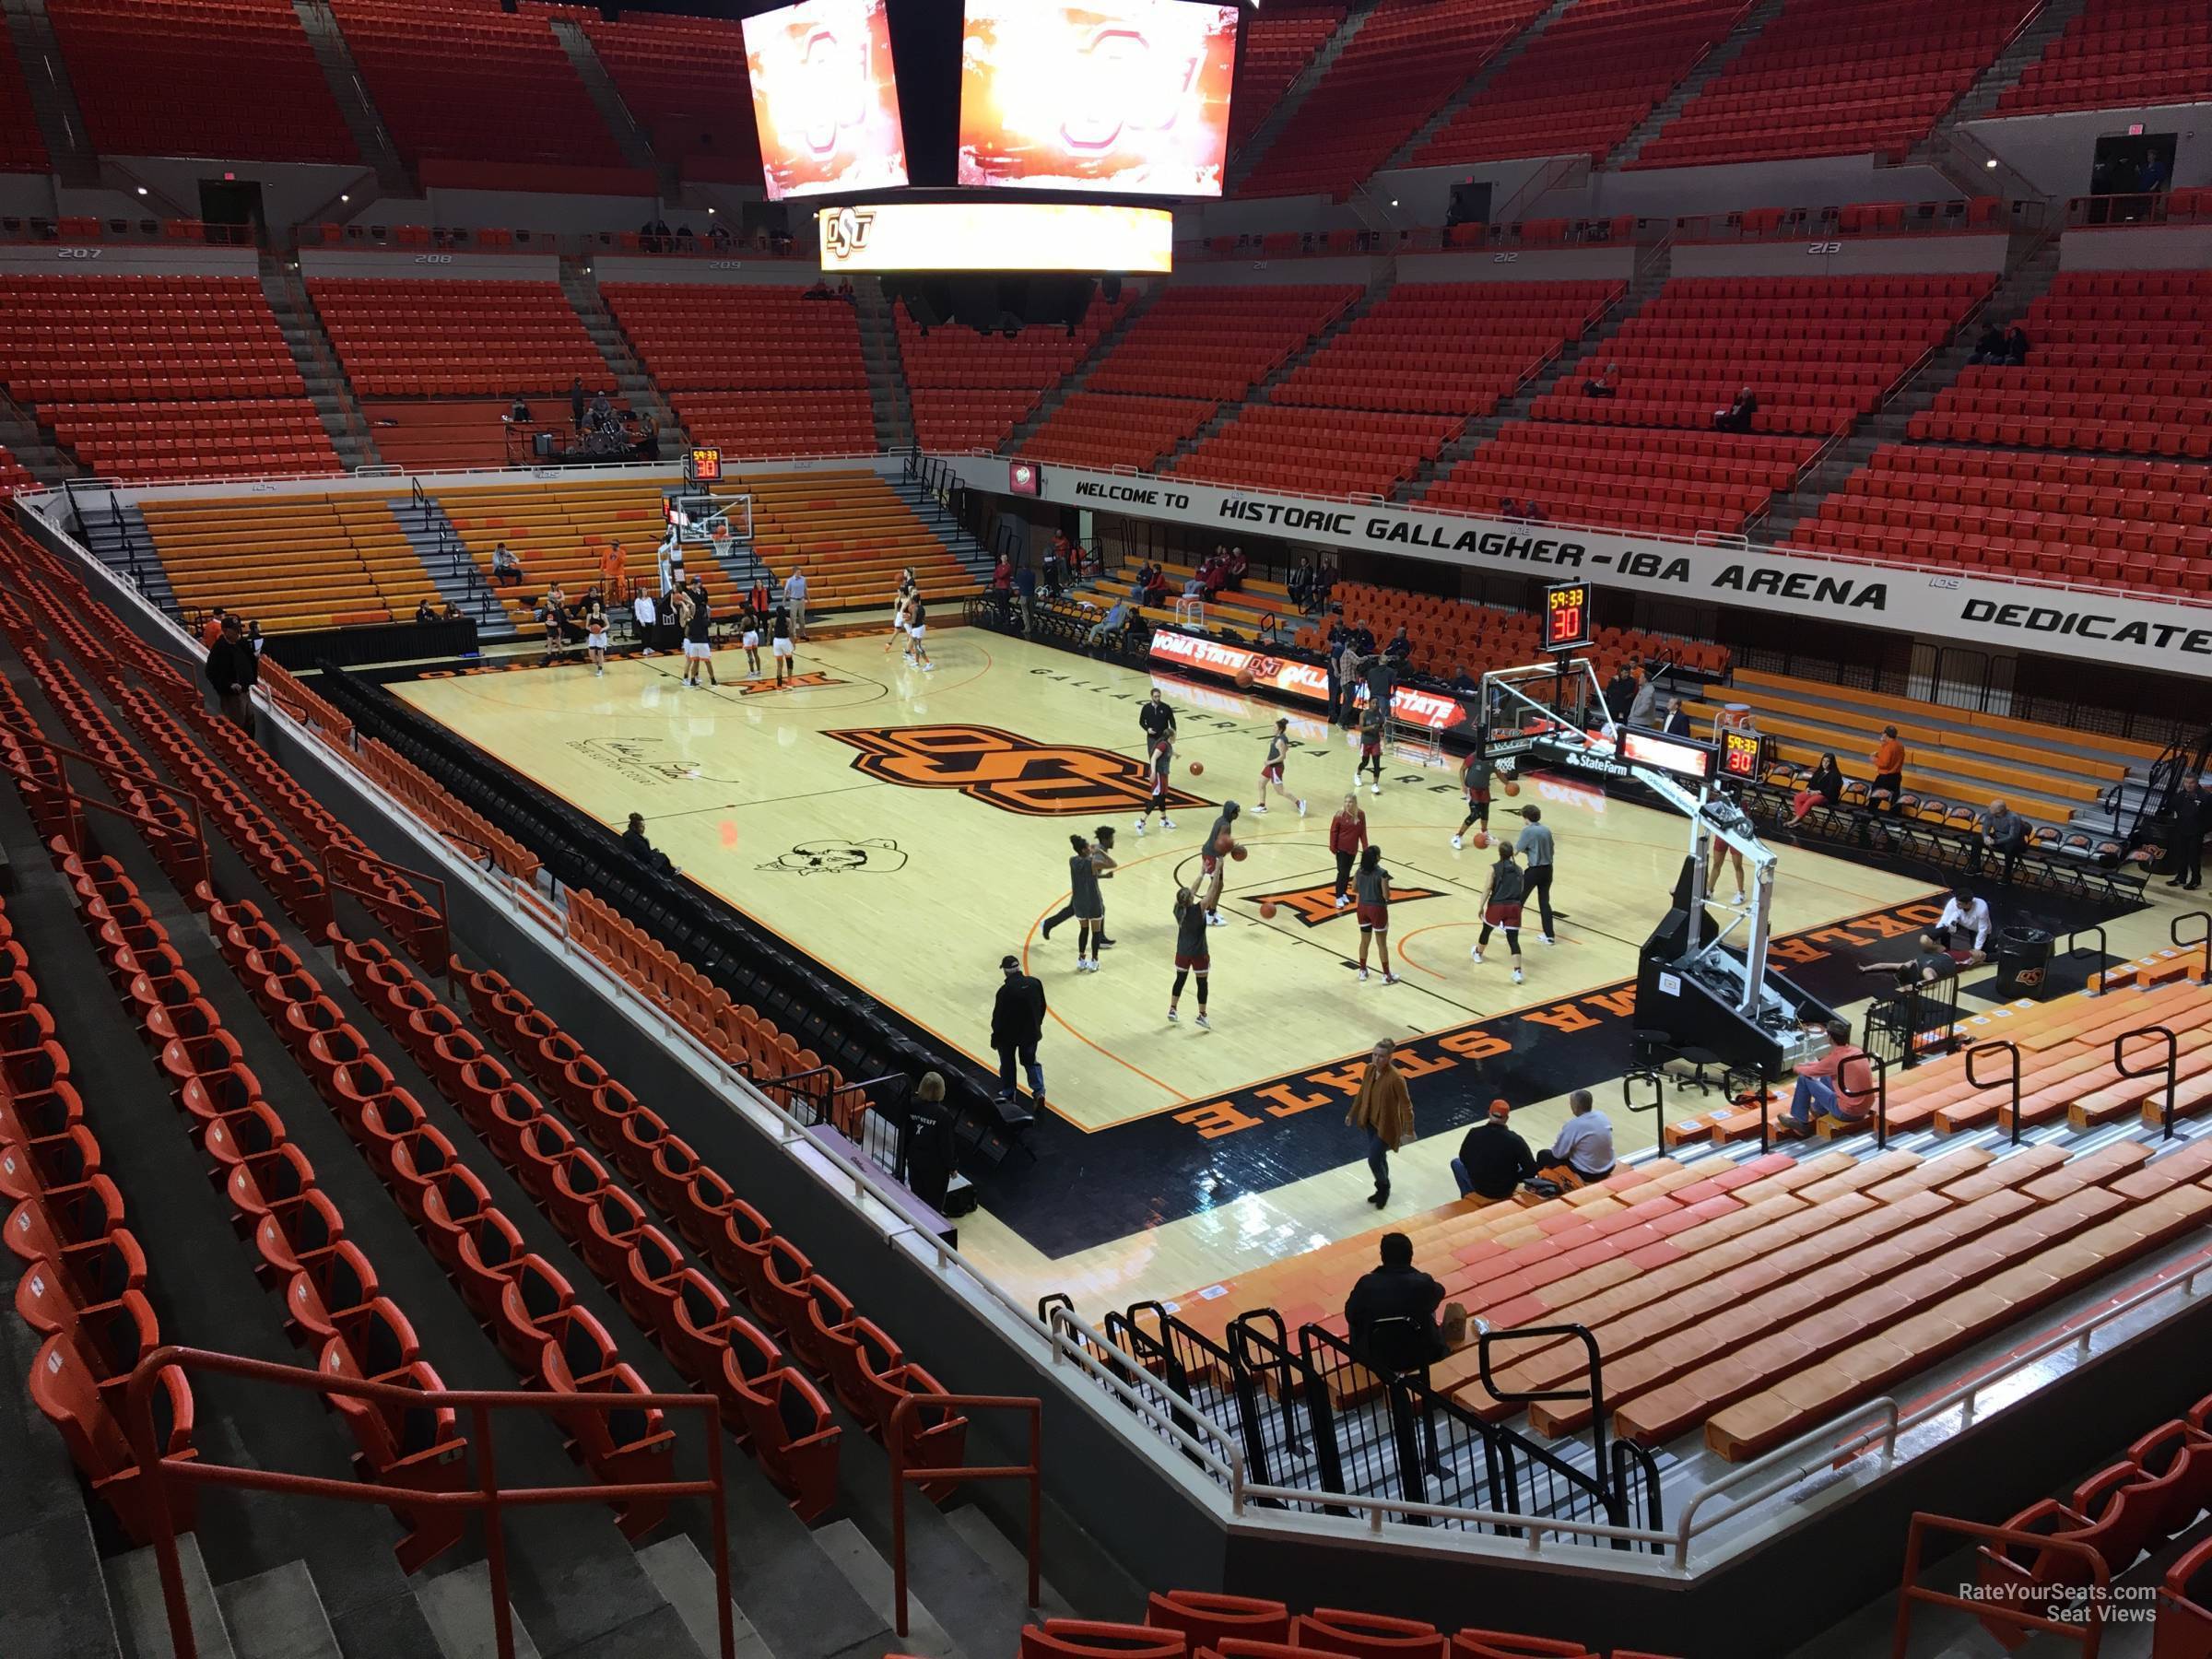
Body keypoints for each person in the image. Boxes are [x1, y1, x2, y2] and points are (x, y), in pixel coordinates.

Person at [1344, 1233, 1447, 1363]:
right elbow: (1441, 1292)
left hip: (1376, 1358)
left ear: (1382, 1256)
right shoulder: (1423, 1282)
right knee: (1428, 1303)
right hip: (1420, 1354)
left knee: (1356, 1316)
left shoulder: (1366, 1284)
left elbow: (1350, 1315)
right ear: (1411, 1255)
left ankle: (1356, 1360)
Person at [1345, 1040, 1413, 1206]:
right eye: (1374, 1054)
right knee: (1380, 1157)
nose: (1376, 1059)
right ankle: (1382, 1189)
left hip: (1386, 1126)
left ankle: (1383, 1187)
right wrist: (1352, 1113)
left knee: (1373, 1160)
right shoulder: (1369, 1069)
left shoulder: (1396, 1078)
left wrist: (1409, 1131)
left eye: (1381, 1056)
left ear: (1389, 1058)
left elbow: (1407, 1106)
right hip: (1370, 1121)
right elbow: (1362, 1093)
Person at [1782, 1018, 1875, 1133]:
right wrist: (1807, 1065)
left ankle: (1800, 1121)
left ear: (1829, 1037)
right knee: (1826, 1075)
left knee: (1804, 1079)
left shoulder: (1835, 1059)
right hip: (1864, 1108)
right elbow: (1823, 1066)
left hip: (1847, 1113)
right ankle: (1818, 1110)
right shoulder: (1857, 1051)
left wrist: (1797, 1067)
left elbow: (1811, 1072)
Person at [1043, 826, 1117, 947]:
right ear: (1105, 840)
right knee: (1098, 910)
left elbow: (1091, 874)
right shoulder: (1099, 854)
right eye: (1111, 838)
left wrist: (1104, 876)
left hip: (1081, 887)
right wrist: (1104, 875)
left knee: (1072, 910)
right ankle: (1100, 938)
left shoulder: (1095, 850)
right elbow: (1092, 872)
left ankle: (1048, 923)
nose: (1113, 841)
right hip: (1085, 889)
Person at [991, 954, 1046, 1109]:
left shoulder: (1004, 991)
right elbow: (1042, 1006)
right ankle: (1039, 1092)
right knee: (1030, 1061)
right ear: (1019, 968)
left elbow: (998, 1017)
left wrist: (995, 1036)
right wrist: (1037, 1025)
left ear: (1005, 971)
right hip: (1031, 1033)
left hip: (1008, 1036)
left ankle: (1009, 1094)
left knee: (1007, 1063)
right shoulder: (1035, 983)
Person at [1453, 1100, 1535, 1201]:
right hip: (1505, 1188)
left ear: (1489, 1113)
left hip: (1479, 1187)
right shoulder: (1515, 1140)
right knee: (1517, 1164)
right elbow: (1532, 1169)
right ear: (1506, 1118)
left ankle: (1467, 1196)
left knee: (1456, 1163)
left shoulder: (1474, 1133)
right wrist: (1515, 1178)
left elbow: (1463, 1157)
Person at [1470, 836, 1526, 984]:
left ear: (1499, 853)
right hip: (1514, 906)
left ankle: (1478, 953)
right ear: (1511, 853)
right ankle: (1518, 972)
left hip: (1497, 906)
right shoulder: (1519, 869)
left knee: (1486, 930)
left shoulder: (1494, 868)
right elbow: (1521, 889)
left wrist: (1481, 906)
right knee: (1513, 940)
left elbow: (1488, 887)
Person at [1534, 1090, 1615, 1188]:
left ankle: (1543, 1186)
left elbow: (1558, 1154)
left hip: (1589, 1174)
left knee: (1543, 1155)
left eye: (1571, 1103)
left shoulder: (1573, 1125)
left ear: (1576, 1106)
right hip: (1609, 1167)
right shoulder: (1602, 1116)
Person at [1065, 832, 1113, 973]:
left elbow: (1088, 875)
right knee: (1096, 932)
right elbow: (1112, 864)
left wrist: (1104, 876)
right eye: (1088, 847)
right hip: (1093, 901)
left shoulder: (1072, 861)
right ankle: (1094, 961)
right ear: (1084, 849)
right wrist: (1100, 852)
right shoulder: (1092, 862)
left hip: (1079, 902)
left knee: (1084, 930)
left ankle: (1081, 960)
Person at [204, 613, 258, 735]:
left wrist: (253, 678)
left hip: (245, 690)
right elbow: (211, 672)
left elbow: (251, 661)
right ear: (225, 630)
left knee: (250, 721)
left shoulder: (241, 644)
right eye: (235, 630)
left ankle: (249, 745)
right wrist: (228, 685)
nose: (238, 632)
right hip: (232, 695)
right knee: (237, 726)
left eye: (238, 629)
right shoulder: (219, 648)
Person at [1352, 844, 1397, 985]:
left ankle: (1362, 971)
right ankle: (1386, 975)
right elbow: (1386, 895)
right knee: (1381, 944)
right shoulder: (1382, 873)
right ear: (1377, 858)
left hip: (1362, 908)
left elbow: (1354, 889)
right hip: (1377, 909)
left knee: (1364, 941)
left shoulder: (1359, 871)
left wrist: (1365, 890)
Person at [1168, 885, 1211, 1028]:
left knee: (1180, 979)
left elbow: (1188, 894)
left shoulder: (1177, 910)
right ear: (1191, 898)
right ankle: (1202, 1015)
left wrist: (1202, 874)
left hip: (1182, 952)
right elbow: (1212, 891)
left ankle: (1173, 1009)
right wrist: (1217, 874)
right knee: (1202, 983)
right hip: (1199, 953)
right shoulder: (1199, 909)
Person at [1515, 805, 1558, 945]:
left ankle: (1510, 926)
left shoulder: (1527, 831)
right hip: (1548, 870)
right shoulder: (1546, 830)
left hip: (1534, 871)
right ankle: (1549, 936)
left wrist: (1498, 843)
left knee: (1519, 899)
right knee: (1544, 903)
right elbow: (1551, 850)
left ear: (1526, 817)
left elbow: (1515, 851)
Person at [1200, 800, 1241, 927]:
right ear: (1230, 813)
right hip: (1213, 855)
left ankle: (1208, 910)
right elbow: (1220, 844)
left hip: (1210, 853)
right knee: (1217, 885)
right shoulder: (1226, 826)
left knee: (1216, 884)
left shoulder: (1221, 820)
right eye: (1236, 812)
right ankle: (1210, 915)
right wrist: (1232, 848)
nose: (1237, 815)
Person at [1254, 718, 1305, 817]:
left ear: (1280, 729)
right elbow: (1286, 748)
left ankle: (1299, 803)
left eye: (1275, 727)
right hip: (1271, 766)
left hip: (1275, 768)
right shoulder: (1280, 737)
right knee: (1261, 783)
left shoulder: (1280, 741)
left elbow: (1282, 757)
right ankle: (1262, 806)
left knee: (1280, 791)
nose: (1273, 729)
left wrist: (1269, 762)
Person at [1329, 792, 1367, 910]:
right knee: (1342, 872)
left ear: (1355, 803)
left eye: (1350, 802)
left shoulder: (1361, 815)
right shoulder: (1339, 815)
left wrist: (1366, 848)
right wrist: (1333, 846)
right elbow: (1333, 831)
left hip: (1353, 849)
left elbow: (1363, 832)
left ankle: (1343, 892)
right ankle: (1338, 897)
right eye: (1346, 802)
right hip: (1341, 849)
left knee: (1347, 872)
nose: (1348, 804)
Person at [1978, 799, 2030, 883]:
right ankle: (1976, 866)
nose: (1989, 809)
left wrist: (1995, 842)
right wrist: (1986, 837)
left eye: (1992, 808)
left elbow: (2013, 837)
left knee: (2010, 847)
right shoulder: (1990, 813)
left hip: (2016, 842)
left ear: (1999, 811)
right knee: (1977, 839)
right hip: (1998, 837)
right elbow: (1985, 827)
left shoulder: (2013, 818)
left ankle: (2007, 875)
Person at [1935, 884, 1993, 959]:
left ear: (1969, 903)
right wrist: (1935, 936)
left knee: (1982, 955)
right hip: (1960, 922)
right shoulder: (1953, 903)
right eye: (1956, 902)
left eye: (1959, 904)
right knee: (1944, 929)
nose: (1956, 905)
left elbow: (1983, 930)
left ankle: (1996, 948)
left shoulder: (1981, 908)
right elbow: (1944, 920)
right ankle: (1946, 953)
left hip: (1976, 928)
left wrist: (1977, 949)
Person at [1789, 752, 1846, 827]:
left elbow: (1831, 790)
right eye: (1823, 761)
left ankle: (1794, 821)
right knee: (1797, 797)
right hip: (1814, 793)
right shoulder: (1819, 771)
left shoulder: (1835, 774)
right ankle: (1799, 821)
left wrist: (1817, 792)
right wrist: (1808, 788)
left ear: (1832, 763)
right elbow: (1812, 782)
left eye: (1827, 761)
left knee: (1809, 801)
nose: (1825, 763)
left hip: (1827, 796)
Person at [1453, 742, 1493, 849]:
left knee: (1485, 812)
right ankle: (1457, 837)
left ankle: (1485, 833)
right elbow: (1462, 769)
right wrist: (1463, 785)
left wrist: (1507, 784)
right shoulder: (1473, 757)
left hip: (1484, 790)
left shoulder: (1492, 759)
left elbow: (1498, 773)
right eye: (1489, 749)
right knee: (1475, 814)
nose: (1490, 750)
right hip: (1472, 790)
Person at [2168, 773, 2204, 890]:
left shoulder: (2205, 796)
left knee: (2193, 857)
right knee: (2181, 855)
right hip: (2181, 829)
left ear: (2196, 783)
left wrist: (2203, 829)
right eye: (2186, 782)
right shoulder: (2181, 795)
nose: (2188, 785)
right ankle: (2181, 877)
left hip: (2196, 832)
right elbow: (2173, 806)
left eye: (2191, 783)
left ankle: (2196, 880)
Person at [1134, 736, 1176, 837]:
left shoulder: (1168, 745)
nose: (1176, 737)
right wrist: (1153, 772)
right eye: (1174, 735)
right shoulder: (1162, 745)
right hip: (1157, 774)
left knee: (1163, 797)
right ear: (1170, 737)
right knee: (1156, 799)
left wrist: (1176, 755)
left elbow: (1168, 752)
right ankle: (1141, 822)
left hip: (1163, 774)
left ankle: (1163, 820)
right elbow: (1153, 758)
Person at [679, 577, 717, 688]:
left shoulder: (690, 621)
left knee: (694, 661)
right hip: (702, 641)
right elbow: (708, 623)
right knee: (707, 662)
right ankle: (713, 680)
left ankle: (692, 679)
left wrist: (684, 616)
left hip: (692, 642)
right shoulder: (705, 621)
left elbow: (684, 627)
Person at [622, 812, 676, 877]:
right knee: (662, 857)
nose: (644, 828)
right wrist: (654, 852)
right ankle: (670, 873)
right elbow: (648, 857)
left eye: (644, 826)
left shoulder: (627, 834)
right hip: (641, 865)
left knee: (660, 856)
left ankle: (671, 871)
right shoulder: (639, 842)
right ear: (634, 827)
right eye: (641, 826)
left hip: (632, 859)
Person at [1868, 725, 1906, 816]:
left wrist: (1874, 759)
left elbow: (1884, 764)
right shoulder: (1900, 745)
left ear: (1886, 734)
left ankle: (1868, 817)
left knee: (1875, 798)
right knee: (1894, 798)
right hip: (1896, 776)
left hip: (1885, 777)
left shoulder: (1888, 747)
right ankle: (1894, 818)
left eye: (1883, 733)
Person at [1355, 701, 1385, 797]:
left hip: (1375, 742)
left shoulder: (1380, 715)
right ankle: (1358, 774)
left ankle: (1375, 785)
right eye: (1374, 703)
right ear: (1369, 703)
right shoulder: (1363, 714)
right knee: (1365, 762)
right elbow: (1361, 729)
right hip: (1366, 742)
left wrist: (1383, 729)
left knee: (1377, 764)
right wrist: (1371, 727)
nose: (1376, 705)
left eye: (1377, 703)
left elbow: (1381, 730)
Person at [538, 583, 571, 665]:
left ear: (552, 604)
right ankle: (549, 656)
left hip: (556, 628)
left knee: (558, 643)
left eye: (549, 604)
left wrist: (551, 623)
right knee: (550, 643)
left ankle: (561, 655)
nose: (547, 605)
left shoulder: (556, 611)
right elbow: (544, 618)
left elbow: (557, 622)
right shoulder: (546, 610)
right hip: (550, 629)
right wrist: (547, 622)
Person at [582, 590, 610, 677]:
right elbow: (587, 627)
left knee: (600, 652)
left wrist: (601, 629)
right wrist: (592, 629)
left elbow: (608, 625)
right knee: (591, 653)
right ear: (592, 608)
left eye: (598, 606)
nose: (596, 607)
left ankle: (600, 669)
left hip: (601, 635)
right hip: (593, 635)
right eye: (595, 606)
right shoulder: (589, 615)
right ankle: (598, 664)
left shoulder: (603, 615)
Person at [770, 600, 795, 686]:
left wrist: (768, 641)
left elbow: (769, 633)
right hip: (785, 641)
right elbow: (791, 633)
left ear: (777, 613)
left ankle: (779, 685)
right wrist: (793, 643)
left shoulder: (773, 620)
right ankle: (789, 682)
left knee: (779, 665)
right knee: (789, 662)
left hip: (776, 641)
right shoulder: (787, 620)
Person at [904, 594, 932, 672]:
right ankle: (917, 662)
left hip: (917, 629)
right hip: (922, 627)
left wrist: (905, 621)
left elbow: (913, 621)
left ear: (913, 601)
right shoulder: (922, 607)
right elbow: (923, 618)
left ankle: (928, 663)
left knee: (918, 647)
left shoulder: (914, 609)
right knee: (916, 646)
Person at [736, 597, 762, 677]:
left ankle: (752, 672)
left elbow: (741, 629)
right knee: (756, 654)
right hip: (754, 634)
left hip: (747, 636)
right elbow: (756, 625)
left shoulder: (745, 619)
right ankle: (759, 671)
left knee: (749, 654)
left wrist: (737, 629)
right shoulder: (755, 617)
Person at [783, 567, 807, 641]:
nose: (799, 574)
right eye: (798, 572)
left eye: (800, 572)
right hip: (793, 600)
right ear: (794, 573)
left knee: (802, 617)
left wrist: (808, 598)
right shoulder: (790, 580)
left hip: (802, 600)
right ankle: (793, 634)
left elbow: (805, 589)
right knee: (793, 618)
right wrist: (784, 601)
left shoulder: (803, 579)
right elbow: (786, 590)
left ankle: (802, 633)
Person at [631, 586, 657, 655]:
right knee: (644, 635)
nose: (646, 591)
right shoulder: (638, 600)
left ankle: (649, 647)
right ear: (641, 591)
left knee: (650, 634)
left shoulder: (649, 599)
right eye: (644, 590)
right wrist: (641, 621)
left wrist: (654, 619)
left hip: (650, 619)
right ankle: (645, 648)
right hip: (643, 620)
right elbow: (637, 612)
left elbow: (652, 609)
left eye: (646, 590)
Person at [1014, 559, 1037, 635]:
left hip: (1023, 595)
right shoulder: (1033, 574)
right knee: (1031, 612)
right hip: (1031, 595)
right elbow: (1033, 583)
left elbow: (1016, 581)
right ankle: (1031, 626)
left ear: (1023, 566)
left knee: (1025, 612)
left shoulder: (1020, 574)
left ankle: (1027, 628)